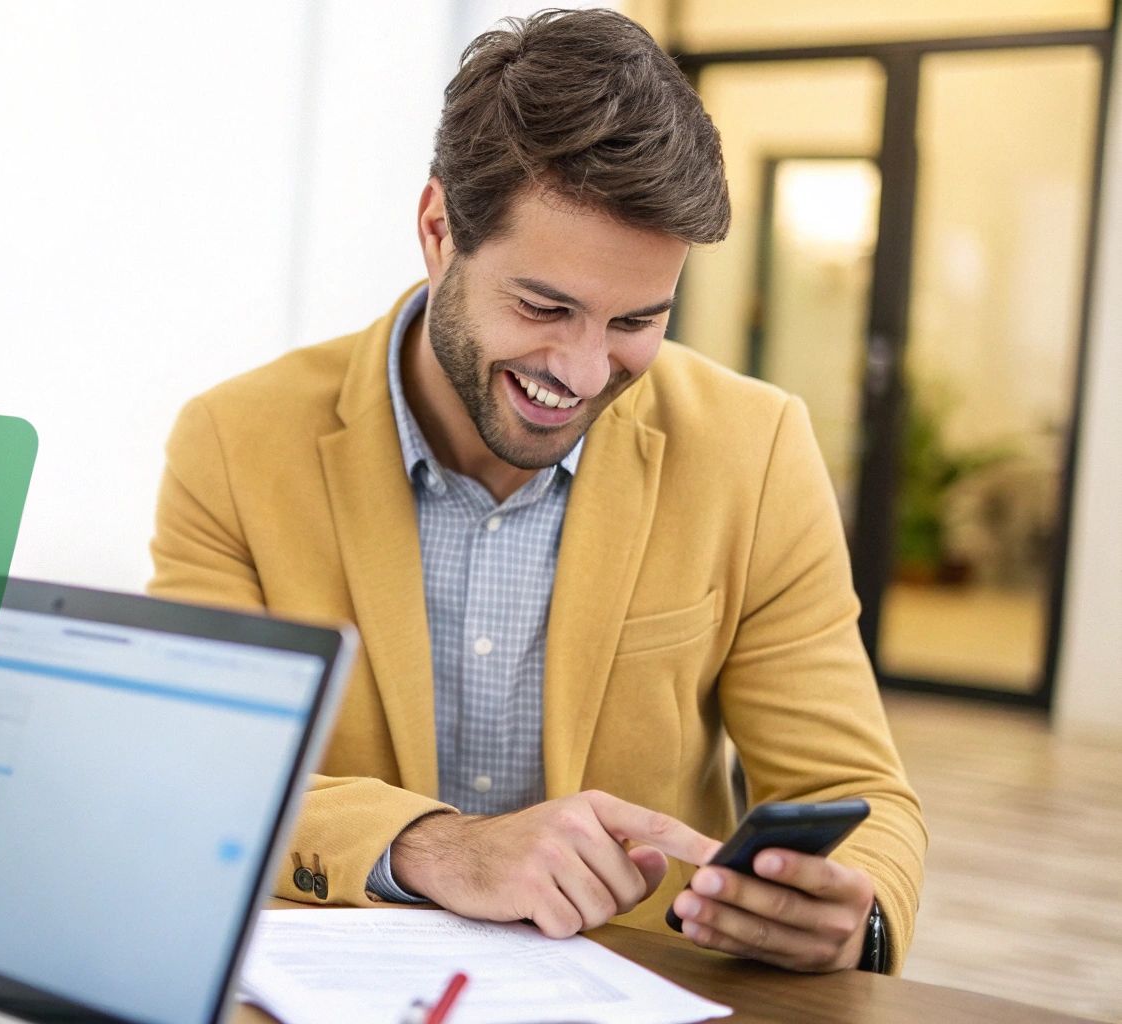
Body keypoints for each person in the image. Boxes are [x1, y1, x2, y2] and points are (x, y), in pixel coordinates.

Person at [149, 9, 925, 975]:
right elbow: (194, 775)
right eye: (544, 307)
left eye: (637, 319)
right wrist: (440, 848)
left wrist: (860, 918)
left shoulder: (753, 449)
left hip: (641, 989)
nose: (587, 369)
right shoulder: (234, 442)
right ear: (439, 232)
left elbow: (859, 793)